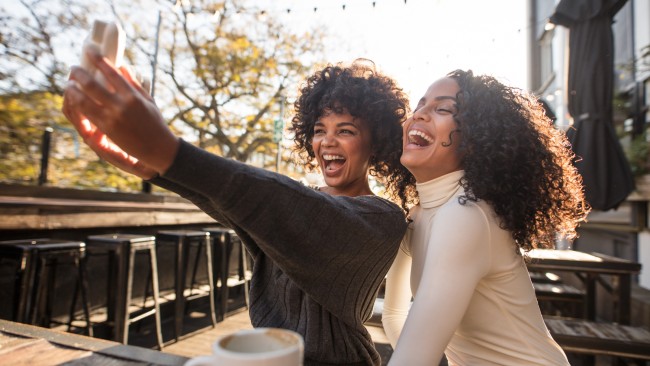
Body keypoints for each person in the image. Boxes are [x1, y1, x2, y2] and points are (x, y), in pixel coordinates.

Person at [62, 47, 417, 366]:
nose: (326, 142)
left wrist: (170, 151)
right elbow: (238, 203)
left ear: (375, 144)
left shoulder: (382, 219)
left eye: (346, 131)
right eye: (319, 129)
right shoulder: (295, 198)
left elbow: (290, 210)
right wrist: (150, 166)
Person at [381, 70, 589, 365]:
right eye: (419, 105)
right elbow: (394, 315)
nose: (420, 115)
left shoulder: (465, 217)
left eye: (442, 109)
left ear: (475, 138)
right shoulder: (418, 215)